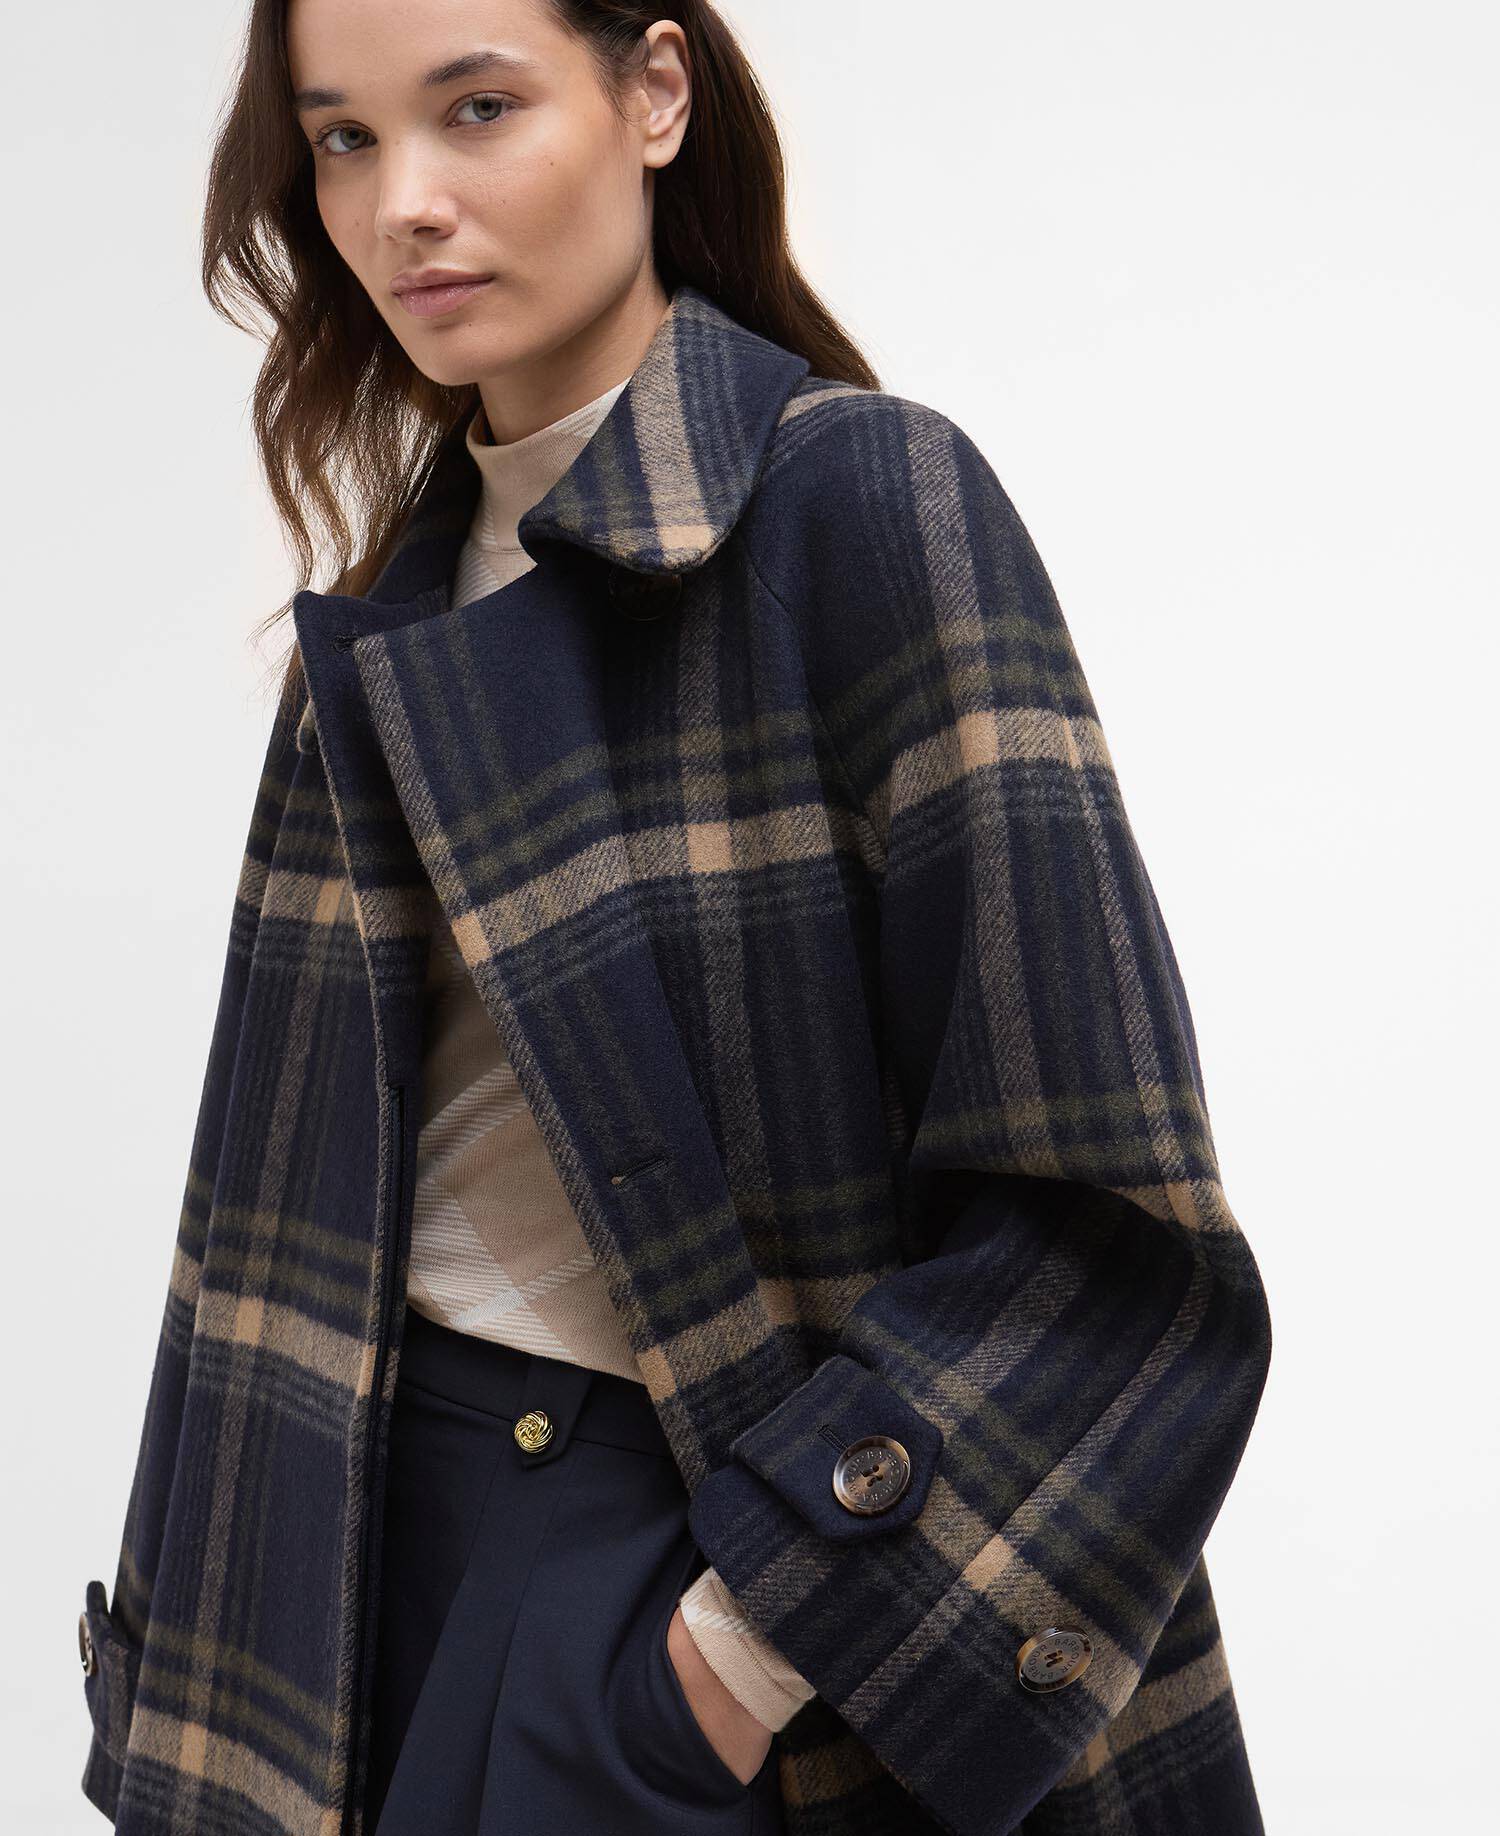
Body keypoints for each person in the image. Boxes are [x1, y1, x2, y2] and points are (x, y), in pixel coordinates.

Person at [77, 5, 1272, 1834]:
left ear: (653, 93)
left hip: (671, 1557)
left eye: (479, 109)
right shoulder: (389, 611)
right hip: (347, 1554)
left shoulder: (859, 504)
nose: (404, 204)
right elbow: (265, 1218)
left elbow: (1104, 1231)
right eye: (343, 140)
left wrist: (735, 1655)